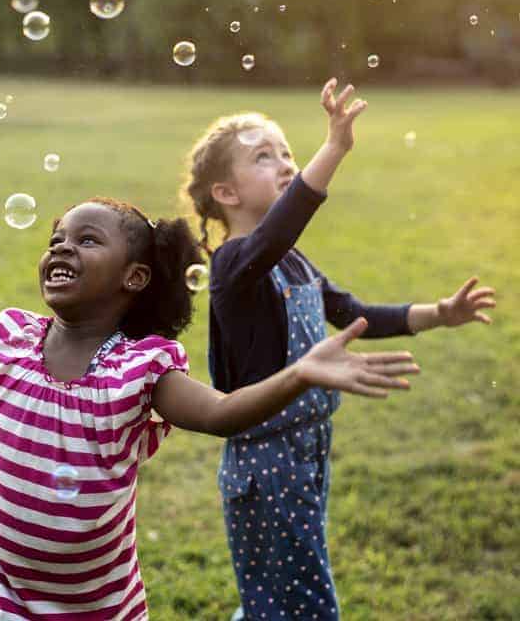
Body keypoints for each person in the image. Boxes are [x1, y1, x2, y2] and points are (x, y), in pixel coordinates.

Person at [0, 196, 419, 619]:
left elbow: (221, 414)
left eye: (86, 239)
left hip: (95, 604)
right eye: (57, 238)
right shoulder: (8, 339)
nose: (62, 246)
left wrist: (301, 372)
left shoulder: (139, 370)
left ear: (135, 277)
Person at [183, 79, 496, 620]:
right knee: (302, 600)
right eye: (264, 157)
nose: (284, 164)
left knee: (282, 588)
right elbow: (281, 227)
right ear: (225, 194)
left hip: (307, 449)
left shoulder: (293, 262)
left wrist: (438, 314)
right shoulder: (234, 267)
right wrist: (335, 149)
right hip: (268, 459)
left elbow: (354, 314)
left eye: (288, 152)